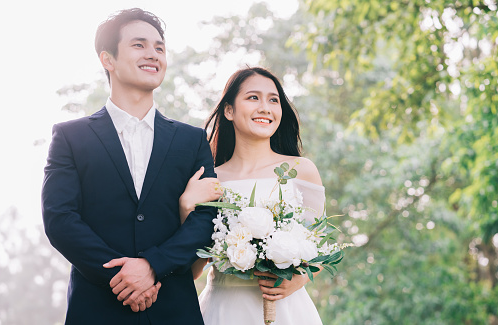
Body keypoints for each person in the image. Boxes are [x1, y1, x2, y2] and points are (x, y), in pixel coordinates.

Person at [41, 8, 218, 325]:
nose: (153, 54)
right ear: (107, 59)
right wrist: (122, 275)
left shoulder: (192, 141)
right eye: (139, 45)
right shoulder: (70, 137)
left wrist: (151, 265)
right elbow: (60, 219)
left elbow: (207, 218)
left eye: (159, 48)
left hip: (175, 310)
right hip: (96, 308)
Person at [179, 67, 326, 324]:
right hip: (224, 310)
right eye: (253, 97)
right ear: (229, 111)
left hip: (287, 309)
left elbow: (320, 247)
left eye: (273, 100)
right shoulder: (211, 181)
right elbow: (192, 272)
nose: (265, 107)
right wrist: (185, 207)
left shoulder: (301, 170)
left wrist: (298, 279)